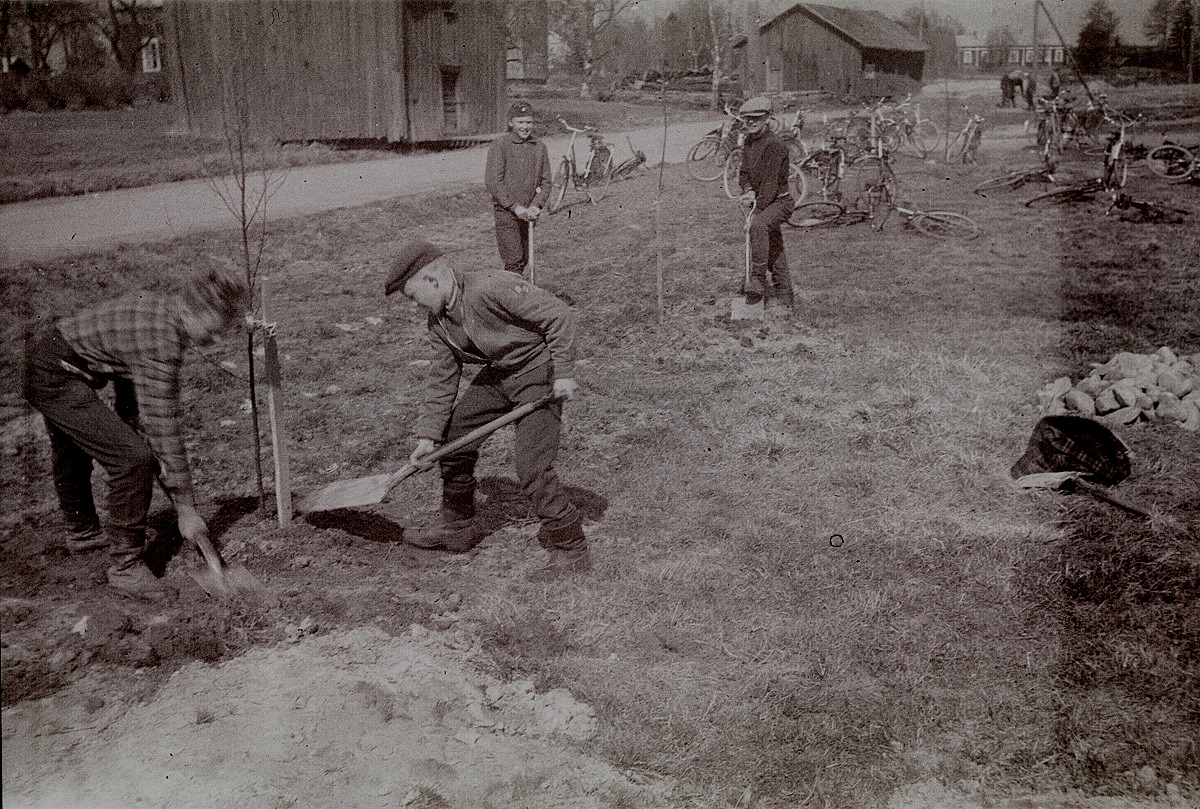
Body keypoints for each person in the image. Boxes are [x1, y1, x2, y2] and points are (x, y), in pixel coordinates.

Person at [22, 269, 249, 600]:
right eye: (213, 331)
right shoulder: (162, 339)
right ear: (192, 310)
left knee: (78, 446)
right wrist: (185, 506)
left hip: (52, 357)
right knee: (131, 459)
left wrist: (135, 427)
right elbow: (162, 423)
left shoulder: (161, 310)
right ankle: (126, 568)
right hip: (54, 373)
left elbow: (132, 395)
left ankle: (83, 532)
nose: (215, 341)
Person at [384, 241, 590, 579]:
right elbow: (442, 378)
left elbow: (559, 315)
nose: (414, 304)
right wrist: (428, 436)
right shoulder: (438, 324)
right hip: (500, 375)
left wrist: (565, 373)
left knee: (531, 465)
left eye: (412, 295)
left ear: (432, 279)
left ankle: (571, 547)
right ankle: (459, 527)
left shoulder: (491, 286)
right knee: (454, 442)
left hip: (539, 372)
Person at [736, 96, 794, 308]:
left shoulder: (775, 145)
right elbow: (743, 172)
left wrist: (756, 213)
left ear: (768, 118)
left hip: (780, 202)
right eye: (747, 119)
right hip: (762, 200)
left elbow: (770, 184)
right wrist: (749, 190)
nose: (751, 122)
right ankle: (785, 297)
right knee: (774, 248)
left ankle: (758, 279)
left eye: (756, 118)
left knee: (759, 226)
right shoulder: (749, 141)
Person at [484, 100, 553, 276]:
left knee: (525, 258)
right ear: (511, 123)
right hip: (507, 213)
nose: (525, 127)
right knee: (514, 260)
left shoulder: (539, 147)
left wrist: (536, 206)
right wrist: (515, 207)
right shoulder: (500, 145)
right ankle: (512, 299)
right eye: (520, 122)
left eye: (528, 122)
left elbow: (546, 182)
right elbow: (493, 181)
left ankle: (519, 295)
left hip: (529, 214)